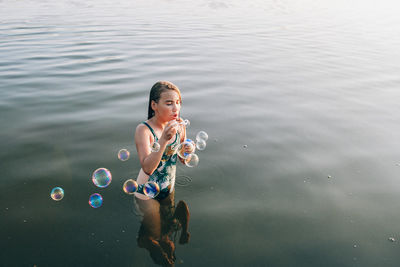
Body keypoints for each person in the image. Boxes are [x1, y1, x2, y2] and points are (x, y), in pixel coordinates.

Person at [134, 81, 190, 266]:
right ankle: (146, 243)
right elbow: (147, 168)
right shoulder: (144, 130)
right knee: (154, 234)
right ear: (154, 105)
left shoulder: (179, 126)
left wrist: (188, 151)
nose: (176, 108)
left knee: (166, 233)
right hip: (146, 193)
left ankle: (165, 246)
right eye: (169, 103)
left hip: (168, 189)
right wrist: (164, 141)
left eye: (178, 102)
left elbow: (183, 159)